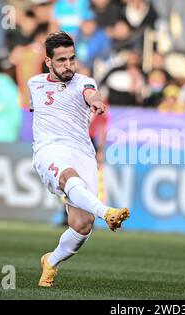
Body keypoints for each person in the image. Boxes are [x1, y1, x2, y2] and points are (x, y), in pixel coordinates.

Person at [27, 31, 130, 288]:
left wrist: (96, 102)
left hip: (82, 150)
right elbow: (37, 107)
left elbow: (90, 94)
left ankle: (51, 261)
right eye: (61, 60)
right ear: (48, 61)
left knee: (82, 226)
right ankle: (107, 212)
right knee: (67, 175)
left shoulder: (84, 81)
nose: (68, 65)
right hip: (49, 150)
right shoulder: (34, 84)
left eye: (72, 59)